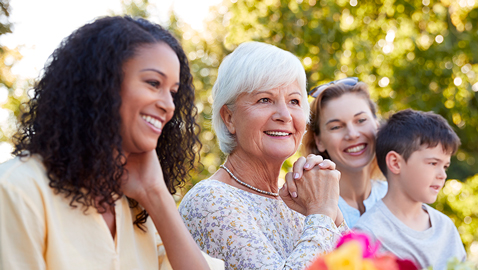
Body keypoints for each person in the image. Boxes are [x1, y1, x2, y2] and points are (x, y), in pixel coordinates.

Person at [0, 16, 223, 270]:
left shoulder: (138, 208)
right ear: (101, 84)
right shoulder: (17, 190)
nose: (169, 105)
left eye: (172, 92)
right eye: (153, 83)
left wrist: (156, 194)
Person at [178, 41, 349, 270]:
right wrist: (321, 213)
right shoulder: (210, 200)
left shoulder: (299, 200)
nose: (285, 115)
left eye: (294, 101)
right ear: (229, 118)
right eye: (265, 99)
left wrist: (330, 209)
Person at [354, 109, 466, 269]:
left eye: (445, 166)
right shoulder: (367, 235)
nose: (442, 175)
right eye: (433, 163)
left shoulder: (445, 227)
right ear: (395, 163)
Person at [300, 78, 387, 227]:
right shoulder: (307, 210)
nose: (352, 134)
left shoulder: (399, 196)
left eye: (361, 120)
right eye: (336, 127)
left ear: (376, 125)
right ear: (319, 141)